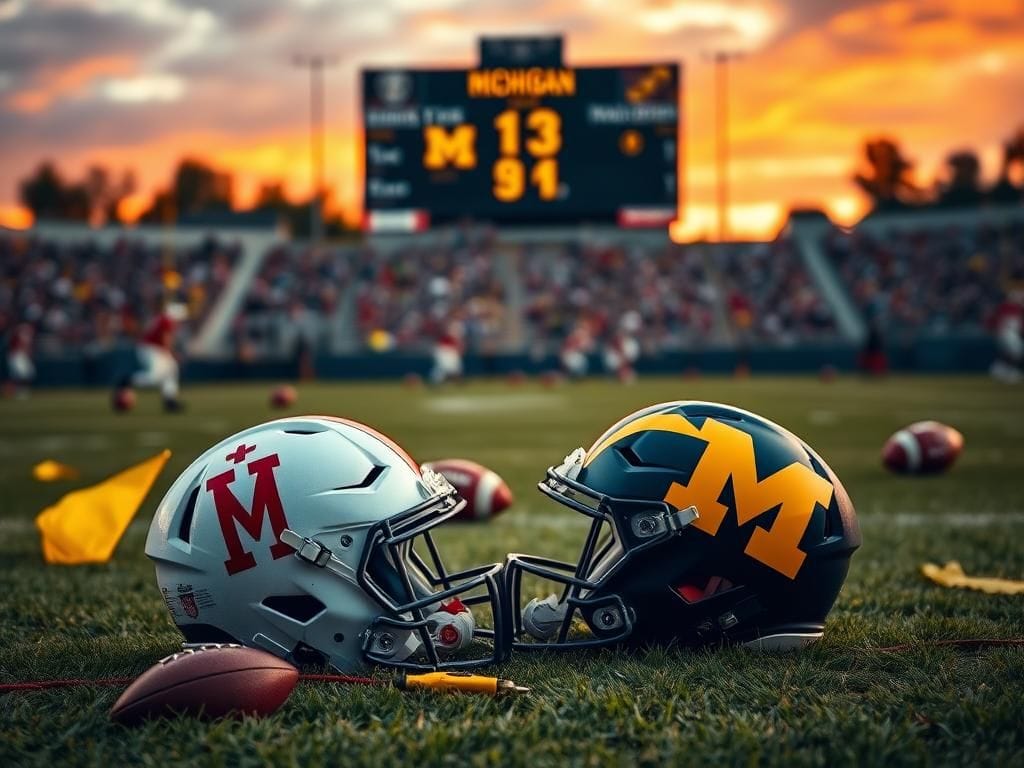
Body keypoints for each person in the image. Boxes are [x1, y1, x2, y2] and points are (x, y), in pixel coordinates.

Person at [115, 303, 188, 412]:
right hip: (152, 349)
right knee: (154, 377)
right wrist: (172, 353)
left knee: (171, 369)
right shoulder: (167, 320)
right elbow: (165, 338)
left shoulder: (163, 318)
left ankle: (170, 400)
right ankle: (128, 380)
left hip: (150, 348)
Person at [990, 289, 1023, 384]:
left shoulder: (1018, 309)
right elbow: (996, 320)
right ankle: (1007, 370)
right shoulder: (1004, 307)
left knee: (1012, 353)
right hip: (1006, 333)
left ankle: (1003, 369)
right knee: (1015, 352)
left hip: (1011, 333)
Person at [5, 323, 35, 398]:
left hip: (22, 356)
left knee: (28, 374)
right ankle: (18, 391)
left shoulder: (26, 337)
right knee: (21, 375)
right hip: (17, 356)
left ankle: (21, 391)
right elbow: (19, 346)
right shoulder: (19, 336)